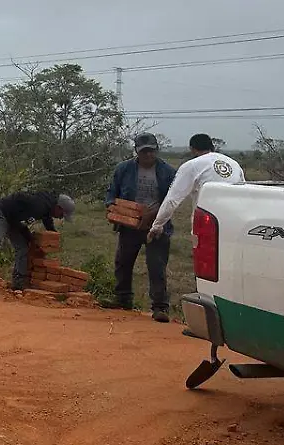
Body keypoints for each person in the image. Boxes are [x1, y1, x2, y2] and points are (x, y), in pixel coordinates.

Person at [103, 132, 178, 322]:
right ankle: (123, 299)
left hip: (157, 225)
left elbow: (173, 200)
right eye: (144, 152)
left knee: (156, 266)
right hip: (130, 225)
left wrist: (153, 216)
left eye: (151, 151)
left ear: (157, 150)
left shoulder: (168, 172)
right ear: (136, 152)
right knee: (123, 262)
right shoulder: (123, 169)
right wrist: (113, 209)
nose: (148, 156)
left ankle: (160, 307)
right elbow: (112, 193)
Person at [0, 191, 76, 296]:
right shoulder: (39, 206)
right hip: (2, 213)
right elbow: (21, 213)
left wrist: (53, 238)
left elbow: (47, 222)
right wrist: (28, 236)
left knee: (23, 247)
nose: (61, 217)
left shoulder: (48, 207)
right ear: (58, 207)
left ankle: (18, 283)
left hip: (14, 217)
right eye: (62, 214)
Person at [148, 134, 245, 241]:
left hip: (207, 223)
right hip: (235, 223)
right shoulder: (234, 164)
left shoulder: (192, 165)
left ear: (192, 149)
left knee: (205, 256)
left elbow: (172, 200)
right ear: (212, 147)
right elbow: (244, 194)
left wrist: (157, 225)